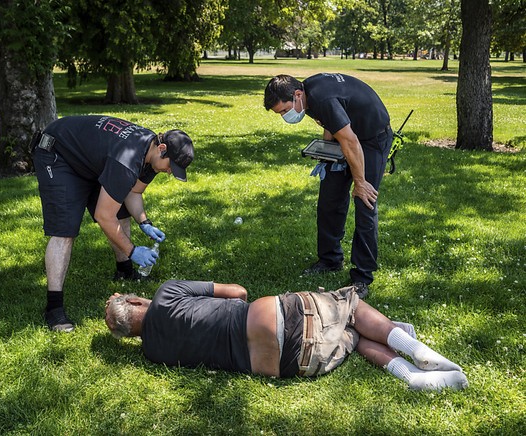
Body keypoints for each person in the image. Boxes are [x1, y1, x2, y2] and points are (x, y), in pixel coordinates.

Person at [105, 280, 468, 391]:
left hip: (293, 364)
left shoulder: (152, 353)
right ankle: (416, 349)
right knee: (351, 307)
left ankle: (412, 378)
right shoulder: (167, 294)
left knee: (352, 336)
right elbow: (237, 292)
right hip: (270, 319)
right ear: (136, 300)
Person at [32, 115, 194, 332]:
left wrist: (145, 222)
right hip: (58, 153)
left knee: (121, 211)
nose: (170, 171)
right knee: (65, 230)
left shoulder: (150, 152)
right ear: (162, 148)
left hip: (89, 160)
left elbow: (134, 191)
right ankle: (54, 308)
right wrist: (132, 249)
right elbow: (103, 216)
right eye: (171, 165)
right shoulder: (127, 160)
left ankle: (124, 270)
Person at [264, 74, 394, 298]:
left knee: (365, 202)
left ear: (297, 95)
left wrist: (360, 182)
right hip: (348, 136)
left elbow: (350, 140)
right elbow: (333, 125)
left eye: (284, 111)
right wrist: (327, 153)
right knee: (329, 198)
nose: (285, 116)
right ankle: (329, 260)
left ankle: (362, 276)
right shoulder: (307, 95)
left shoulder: (322, 98)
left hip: (371, 138)